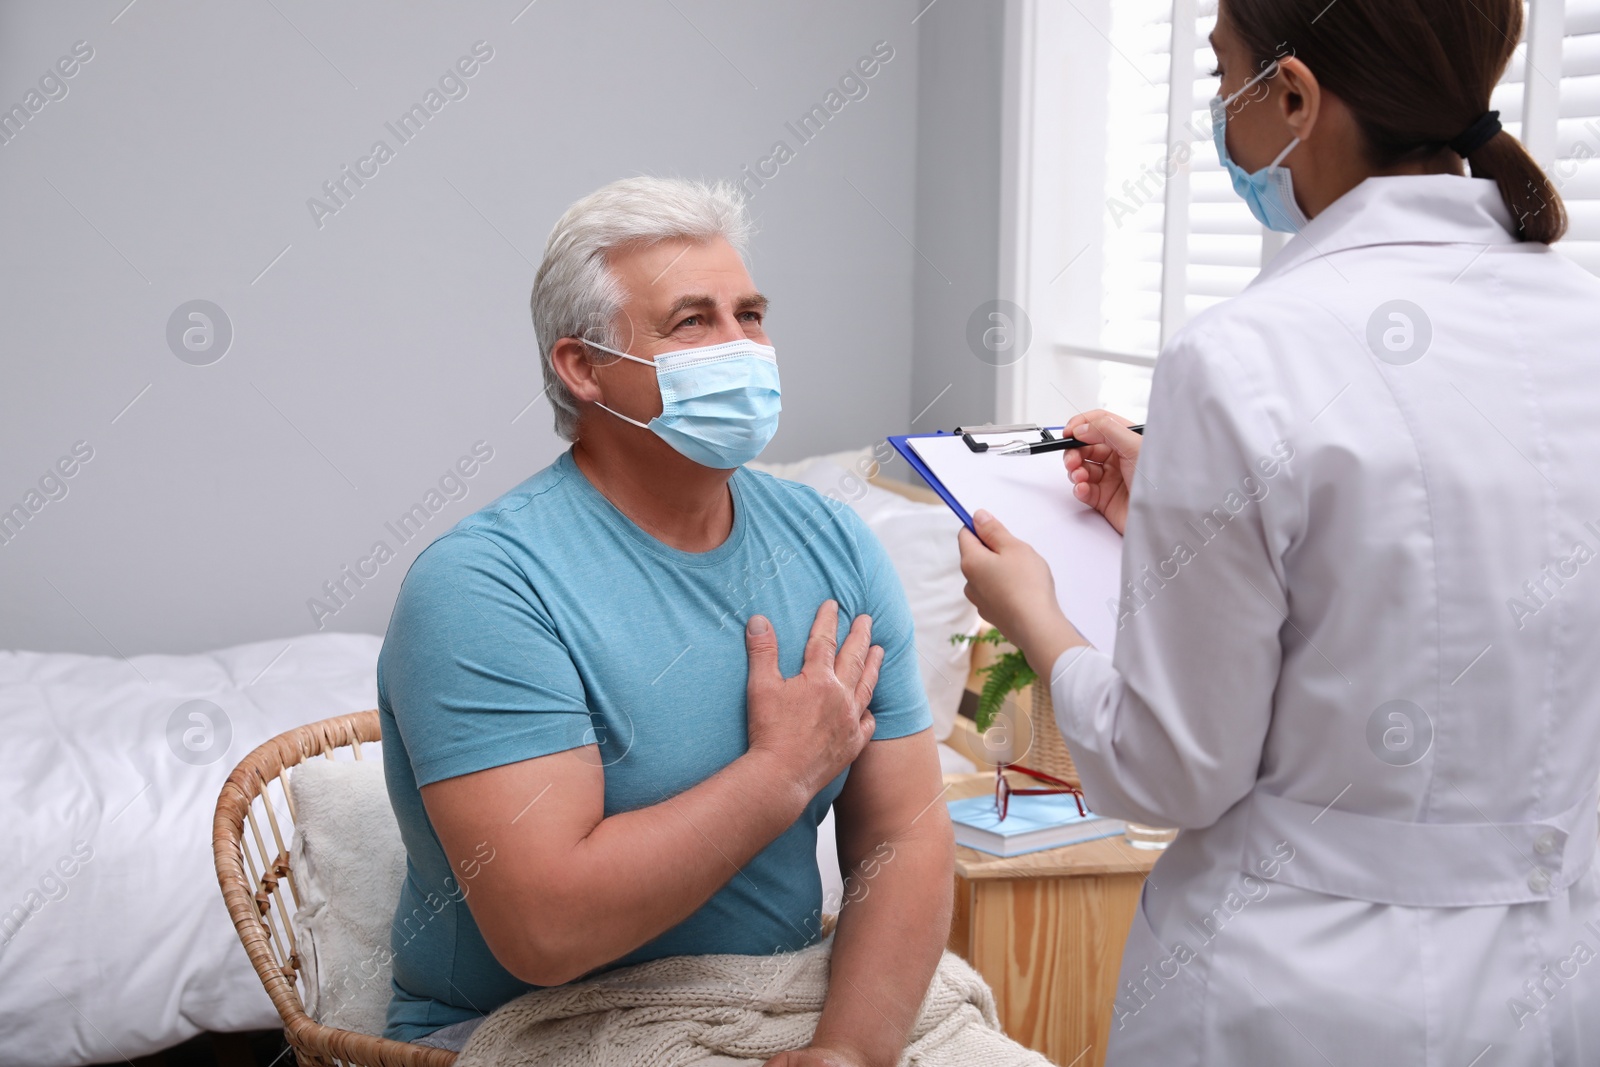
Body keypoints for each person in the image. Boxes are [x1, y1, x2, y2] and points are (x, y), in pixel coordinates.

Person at [958, 0, 1600, 1063]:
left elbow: (1173, 773)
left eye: (1222, 76)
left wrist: (1039, 619)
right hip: (1552, 981)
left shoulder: (1242, 356)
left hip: (1297, 998)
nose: (1217, 110)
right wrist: (1182, 504)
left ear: (1293, 97)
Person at [377, 176, 954, 1063]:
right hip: (544, 1026)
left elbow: (905, 830)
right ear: (584, 368)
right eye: (694, 322)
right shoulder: (483, 586)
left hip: (785, 1001)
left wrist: (851, 1050)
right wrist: (781, 773)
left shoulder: (835, 541)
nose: (743, 347)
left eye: (751, 314)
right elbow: (547, 929)